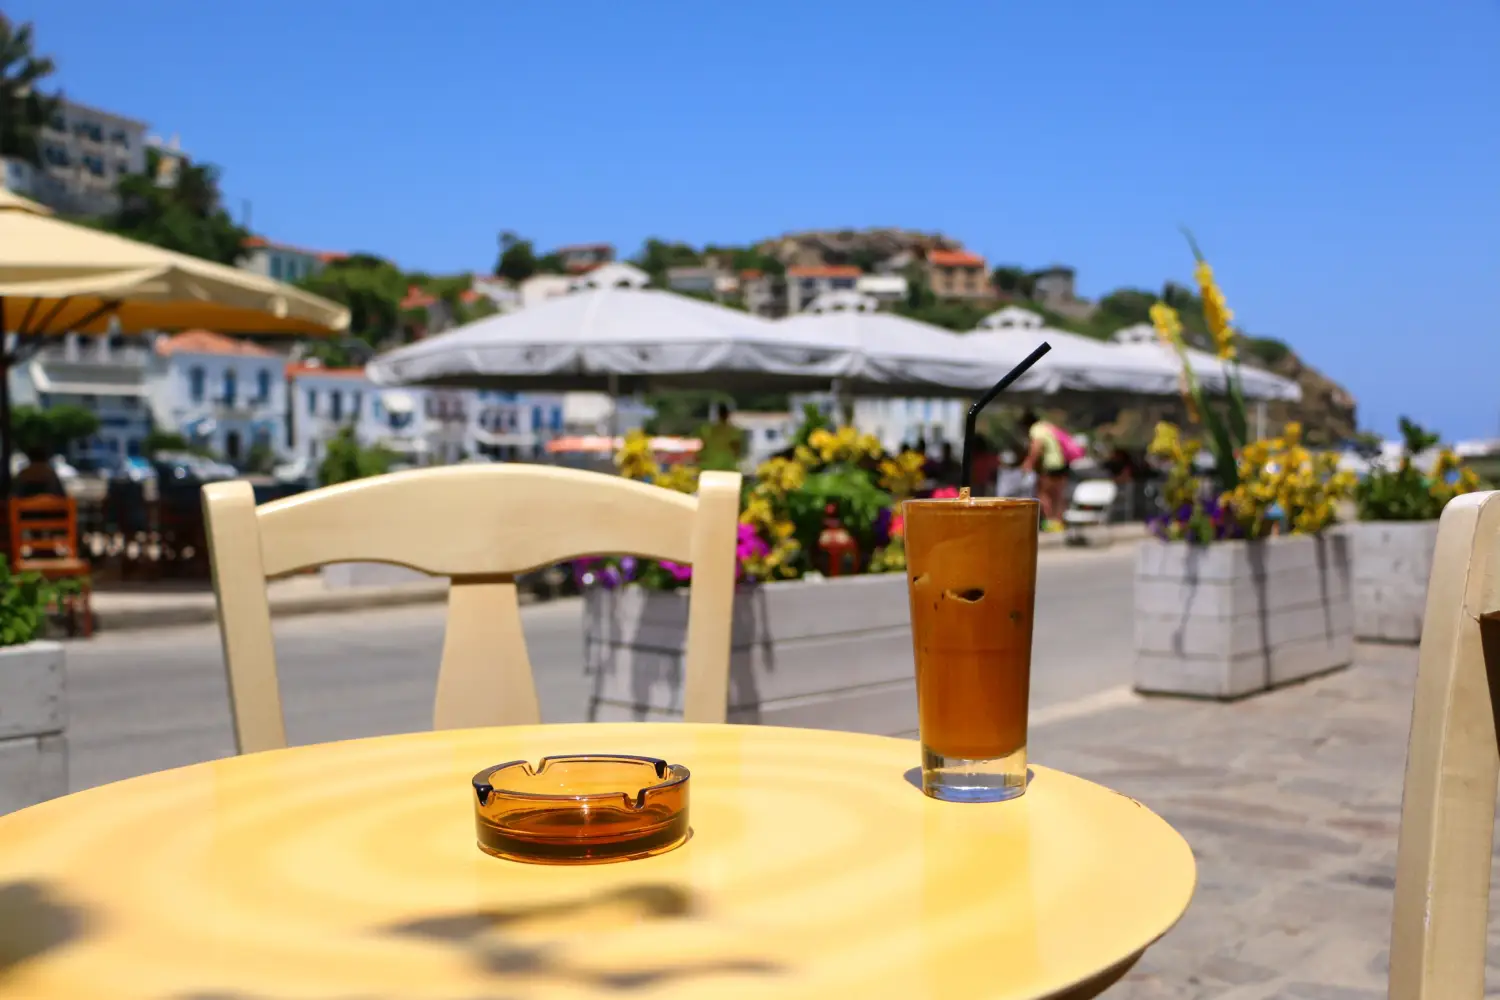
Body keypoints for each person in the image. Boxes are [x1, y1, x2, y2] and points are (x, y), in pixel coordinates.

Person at [1019, 410, 1070, 530]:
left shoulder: (1036, 429)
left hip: (1049, 466)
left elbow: (1037, 446)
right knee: (1057, 494)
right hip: (1061, 463)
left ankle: (1049, 521)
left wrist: (1029, 462)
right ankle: (1059, 521)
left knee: (1043, 494)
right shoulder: (1047, 427)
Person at [697, 403, 744, 472]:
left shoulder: (708, 430)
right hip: (728, 466)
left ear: (717, 414)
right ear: (728, 415)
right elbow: (736, 448)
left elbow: (703, 446)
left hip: (709, 466)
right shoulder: (733, 431)